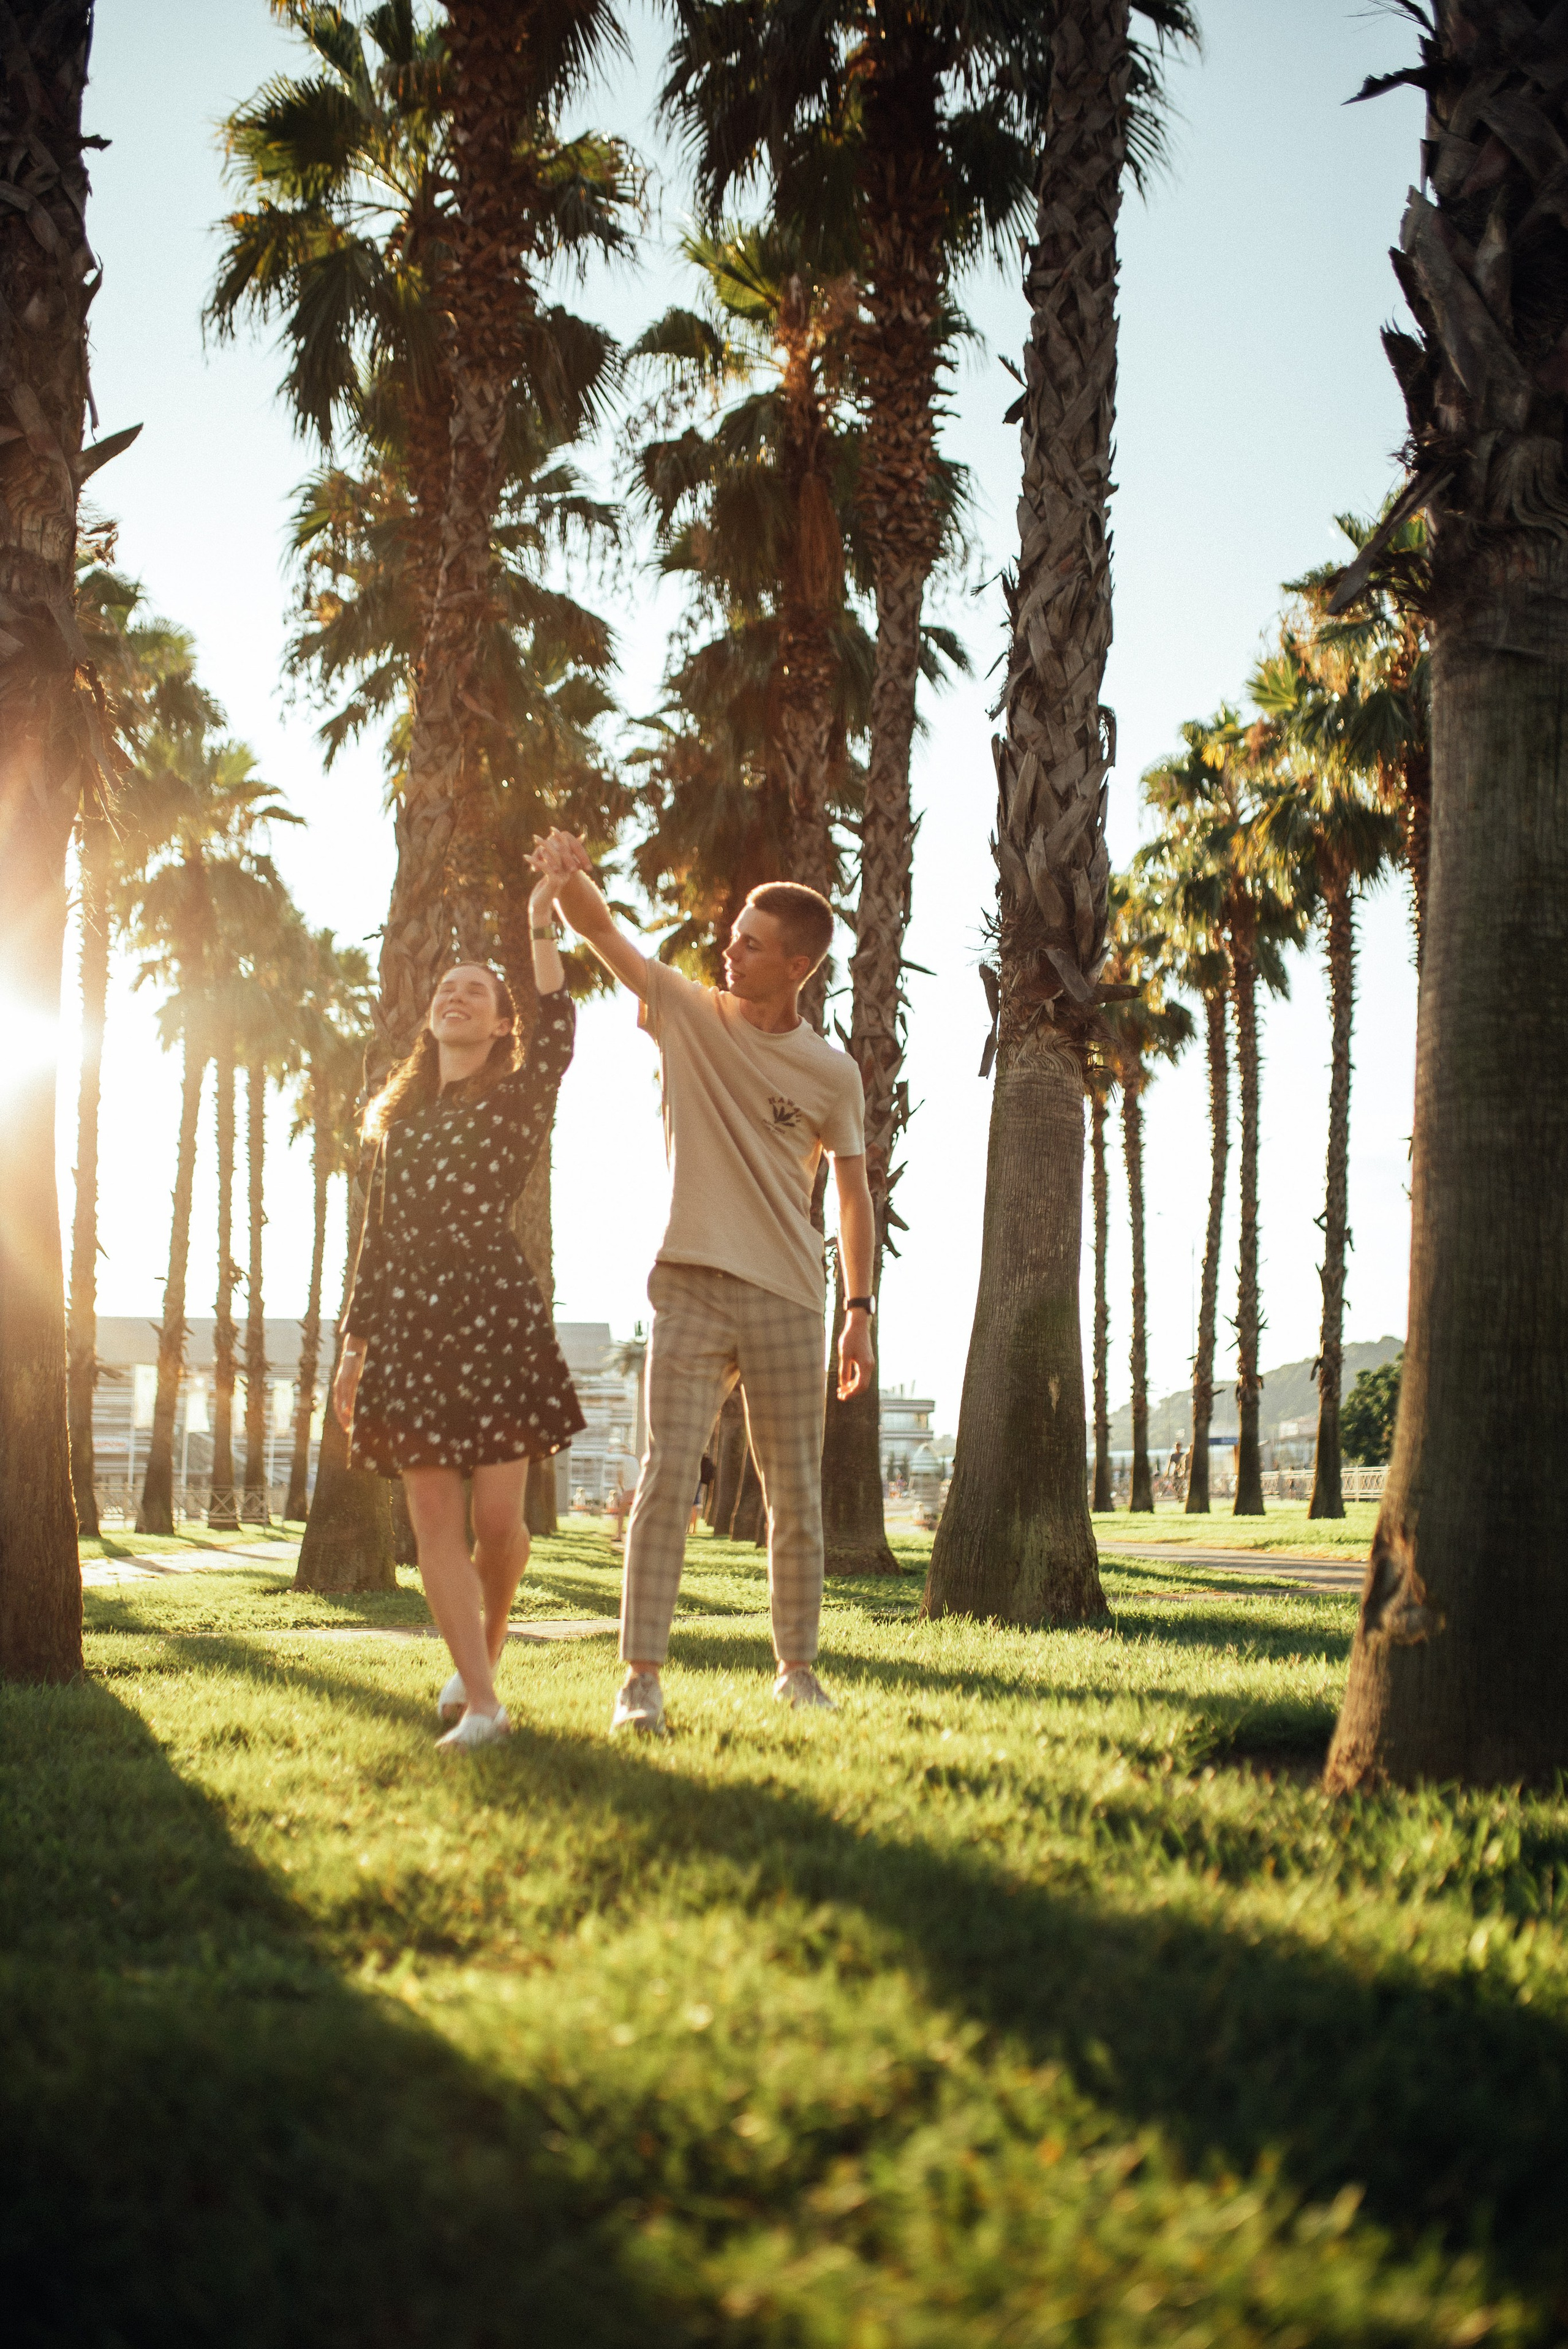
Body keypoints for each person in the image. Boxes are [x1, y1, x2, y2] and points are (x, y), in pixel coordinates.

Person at [528, 828, 876, 1734]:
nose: (731, 948)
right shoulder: (688, 1010)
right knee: (665, 1478)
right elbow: (603, 933)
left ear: (797, 965)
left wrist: (860, 1312)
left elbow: (852, 1195)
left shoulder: (833, 1073)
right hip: (687, 1283)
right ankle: (639, 1680)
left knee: (793, 1490)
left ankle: (797, 1669)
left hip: (792, 1299)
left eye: (752, 942)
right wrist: (570, 878)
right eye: (734, 935)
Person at [333, 875, 586, 1752]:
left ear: (500, 1022)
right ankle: (484, 1705)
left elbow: (559, 1033)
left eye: (477, 990)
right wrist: (353, 1348)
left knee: (497, 1526)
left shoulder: (518, 1102)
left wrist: (539, 923)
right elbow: (376, 1239)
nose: (455, 994)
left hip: (494, 1312)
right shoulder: (399, 1126)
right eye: (447, 988)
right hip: (406, 1323)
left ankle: (485, 1647)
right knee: (434, 1522)